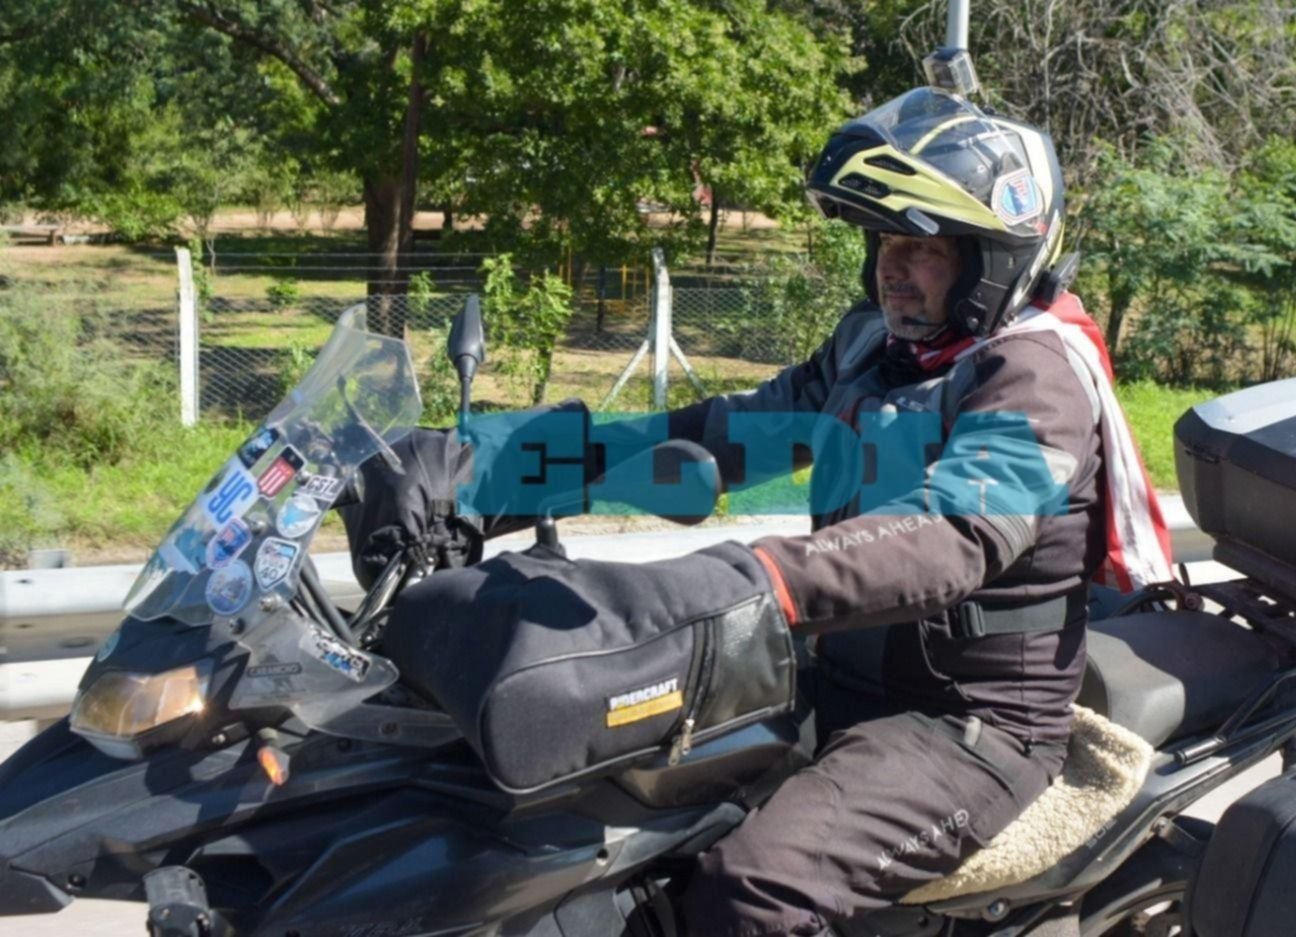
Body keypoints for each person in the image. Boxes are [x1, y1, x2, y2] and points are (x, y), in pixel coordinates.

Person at [353, 88, 1173, 936]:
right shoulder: (872, 348)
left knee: (752, 887)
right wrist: (497, 472)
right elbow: (724, 431)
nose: (893, 265)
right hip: (833, 676)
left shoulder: (1034, 377)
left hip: (970, 724)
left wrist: (757, 575)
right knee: (596, 799)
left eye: (922, 247)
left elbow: (955, 534)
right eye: (886, 241)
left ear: (993, 256)